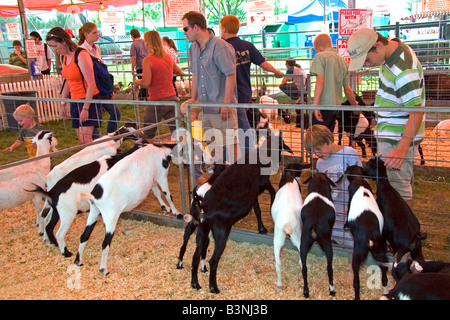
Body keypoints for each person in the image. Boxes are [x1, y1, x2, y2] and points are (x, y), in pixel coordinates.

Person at [348, 28, 425, 207]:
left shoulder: (403, 69)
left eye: (367, 59)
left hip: (397, 139)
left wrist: (401, 149)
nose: (366, 65)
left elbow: (416, 111)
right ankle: (395, 226)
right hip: (390, 133)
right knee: (389, 185)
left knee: (398, 187)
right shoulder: (392, 54)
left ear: (377, 46)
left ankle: (404, 230)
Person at [182, 10, 239, 172]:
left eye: (185, 29)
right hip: (203, 106)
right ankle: (219, 169)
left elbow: (230, 75)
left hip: (221, 105)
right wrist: (193, 102)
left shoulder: (220, 46)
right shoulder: (193, 48)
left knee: (230, 142)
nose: (184, 33)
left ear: (195, 27)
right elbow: (195, 76)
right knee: (211, 139)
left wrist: (226, 104)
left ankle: (235, 174)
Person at [219, 14, 283, 153]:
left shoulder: (221, 46)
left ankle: (241, 156)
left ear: (223, 29)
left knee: (228, 128)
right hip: (244, 93)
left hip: (226, 95)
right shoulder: (247, 46)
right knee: (241, 124)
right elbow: (263, 64)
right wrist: (277, 72)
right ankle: (246, 154)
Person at [304, 124, 362, 247]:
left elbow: (360, 183)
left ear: (329, 140)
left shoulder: (349, 154)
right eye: (313, 151)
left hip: (350, 213)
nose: (316, 154)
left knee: (355, 245)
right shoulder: (320, 163)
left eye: (318, 148)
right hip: (331, 215)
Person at [46, 27, 103, 145]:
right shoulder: (64, 57)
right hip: (75, 100)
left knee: (86, 140)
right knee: (82, 140)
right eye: (52, 47)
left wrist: (86, 107)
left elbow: (91, 84)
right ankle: (94, 160)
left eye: (55, 46)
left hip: (87, 99)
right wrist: (63, 103)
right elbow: (68, 80)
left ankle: (98, 161)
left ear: (63, 41)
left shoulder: (81, 55)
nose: (54, 50)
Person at [134, 30, 182, 140]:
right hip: (171, 98)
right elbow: (179, 71)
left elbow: (146, 82)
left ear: (147, 42)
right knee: (177, 131)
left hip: (156, 100)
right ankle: (183, 153)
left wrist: (136, 81)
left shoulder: (148, 60)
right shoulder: (168, 57)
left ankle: (148, 152)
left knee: (148, 133)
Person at [79, 22, 121, 134]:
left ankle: (110, 138)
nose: (97, 35)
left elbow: (101, 70)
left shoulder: (96, 48)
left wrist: (108, 89)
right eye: (94, 33)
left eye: (97, 32)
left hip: (102, 86)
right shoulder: (82, 51)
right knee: (95, 119)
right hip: (91, 88)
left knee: (115, 113)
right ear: (86, 34)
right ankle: (101, 142)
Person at [310, 33, 357, 133]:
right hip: (335, 106)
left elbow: (320, 80)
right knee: (328, 137)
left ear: (318, 48)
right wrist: (355, 106)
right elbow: (347, 89)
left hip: (323, 105)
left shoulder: (320, 57)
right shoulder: (342, 61)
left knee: (316, 140)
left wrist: (315, 105)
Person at [279, 58, 308, 127]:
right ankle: (299, 98)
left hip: (299, 89)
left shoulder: (290, 69)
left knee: (281, 86)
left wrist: (284, 76)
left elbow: (283, 82)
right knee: (299, 108)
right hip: (305, 88)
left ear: (287, 64)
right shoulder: (298, 68)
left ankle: (297, 98)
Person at [130, 28, 149, 100]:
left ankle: (143, 98)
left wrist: (132, 69)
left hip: (140, 66)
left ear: (132, 36)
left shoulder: (133, 45)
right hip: (147, 64)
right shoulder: (145, 42)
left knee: (142, 82)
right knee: (147, 82)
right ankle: (144, 97)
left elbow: (134, 57)